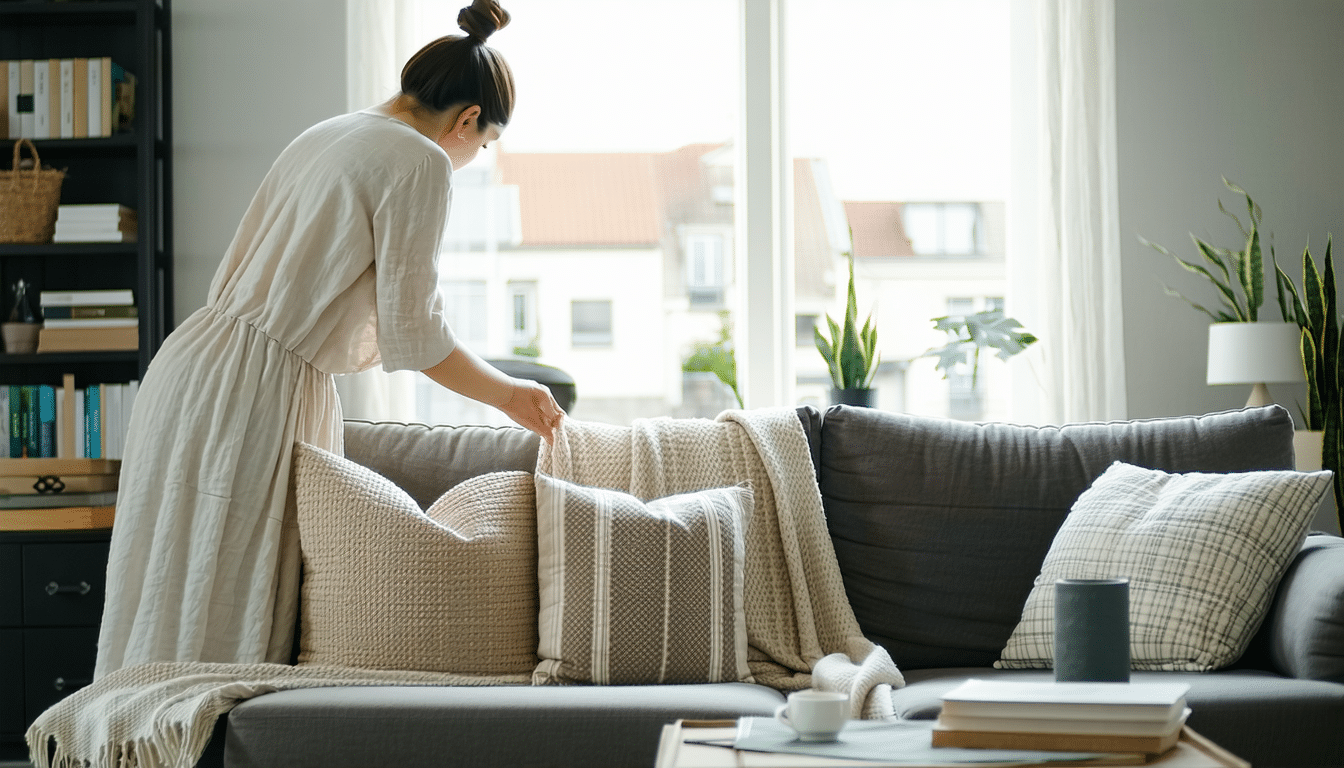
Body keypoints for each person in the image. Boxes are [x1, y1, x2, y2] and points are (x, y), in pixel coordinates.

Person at [94, 0, 559, 679]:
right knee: (224, 611)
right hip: (258, 389)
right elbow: (415, 332)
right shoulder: (420, 161)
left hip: (192, 365)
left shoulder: (332, 131)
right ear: (466, 122)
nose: (470, 160)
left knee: (162, 582)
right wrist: (509, 394)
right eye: (482, 147)